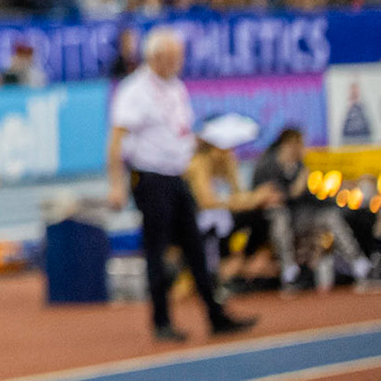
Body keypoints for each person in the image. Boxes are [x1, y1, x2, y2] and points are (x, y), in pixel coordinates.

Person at [107, 27, 257, 342]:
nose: (180, 61)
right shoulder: (134, 91)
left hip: (178, 176)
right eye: (175, 56)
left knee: (196, 248)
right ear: (157, 56)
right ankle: (161, 321)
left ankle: (216, 316)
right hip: (150, 178)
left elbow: (179, 132)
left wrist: (208, 140)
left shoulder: (176, 87)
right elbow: (116, 141)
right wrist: (116, 185)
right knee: (157, 251)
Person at [252, 126, 373, 291]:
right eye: (299, 144)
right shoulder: (267, 165)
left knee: (330, 217)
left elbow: (309, 199)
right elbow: (274, 197)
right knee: (280, 218)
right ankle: (289, 271)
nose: (303, 148)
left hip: (300, 216)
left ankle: (359, 264)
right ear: (289, 144)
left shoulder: (299, 165)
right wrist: (298, 184)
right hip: (269, 220)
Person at [186, 121, 277, 289]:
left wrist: (257, 198)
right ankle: (224, 268)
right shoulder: (198, 164)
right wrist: (251, 199)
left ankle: (246, 261)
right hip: (200, 220)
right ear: (213, 147)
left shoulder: (228, 161)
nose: (229, 152)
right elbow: (207, 202)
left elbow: (238, 194)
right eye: (224, 148)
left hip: (223, 216)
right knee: (219, 220)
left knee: (261, 213)